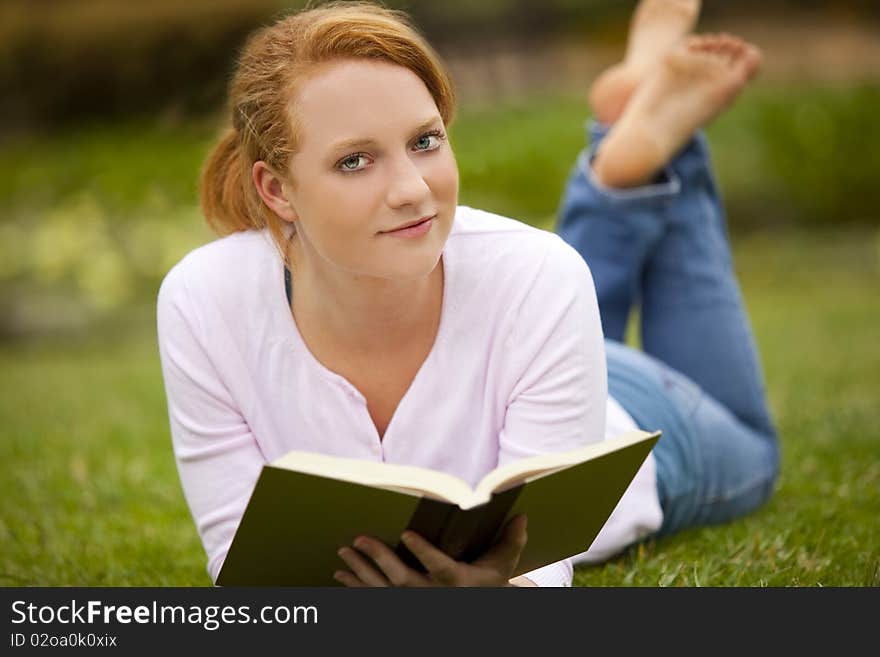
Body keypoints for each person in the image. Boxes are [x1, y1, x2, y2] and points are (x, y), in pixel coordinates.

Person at [156, 0, 778, 587]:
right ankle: (625, 143)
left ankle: (657, 148)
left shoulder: (539, 276)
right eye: (354, 161)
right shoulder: (203, 303)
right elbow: (243, 569)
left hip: (633, 415)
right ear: (276, 190)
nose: (411, 190)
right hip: (534, 361)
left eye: (425, 141)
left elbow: (541, 569)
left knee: (755, 449)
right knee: (541, 283)